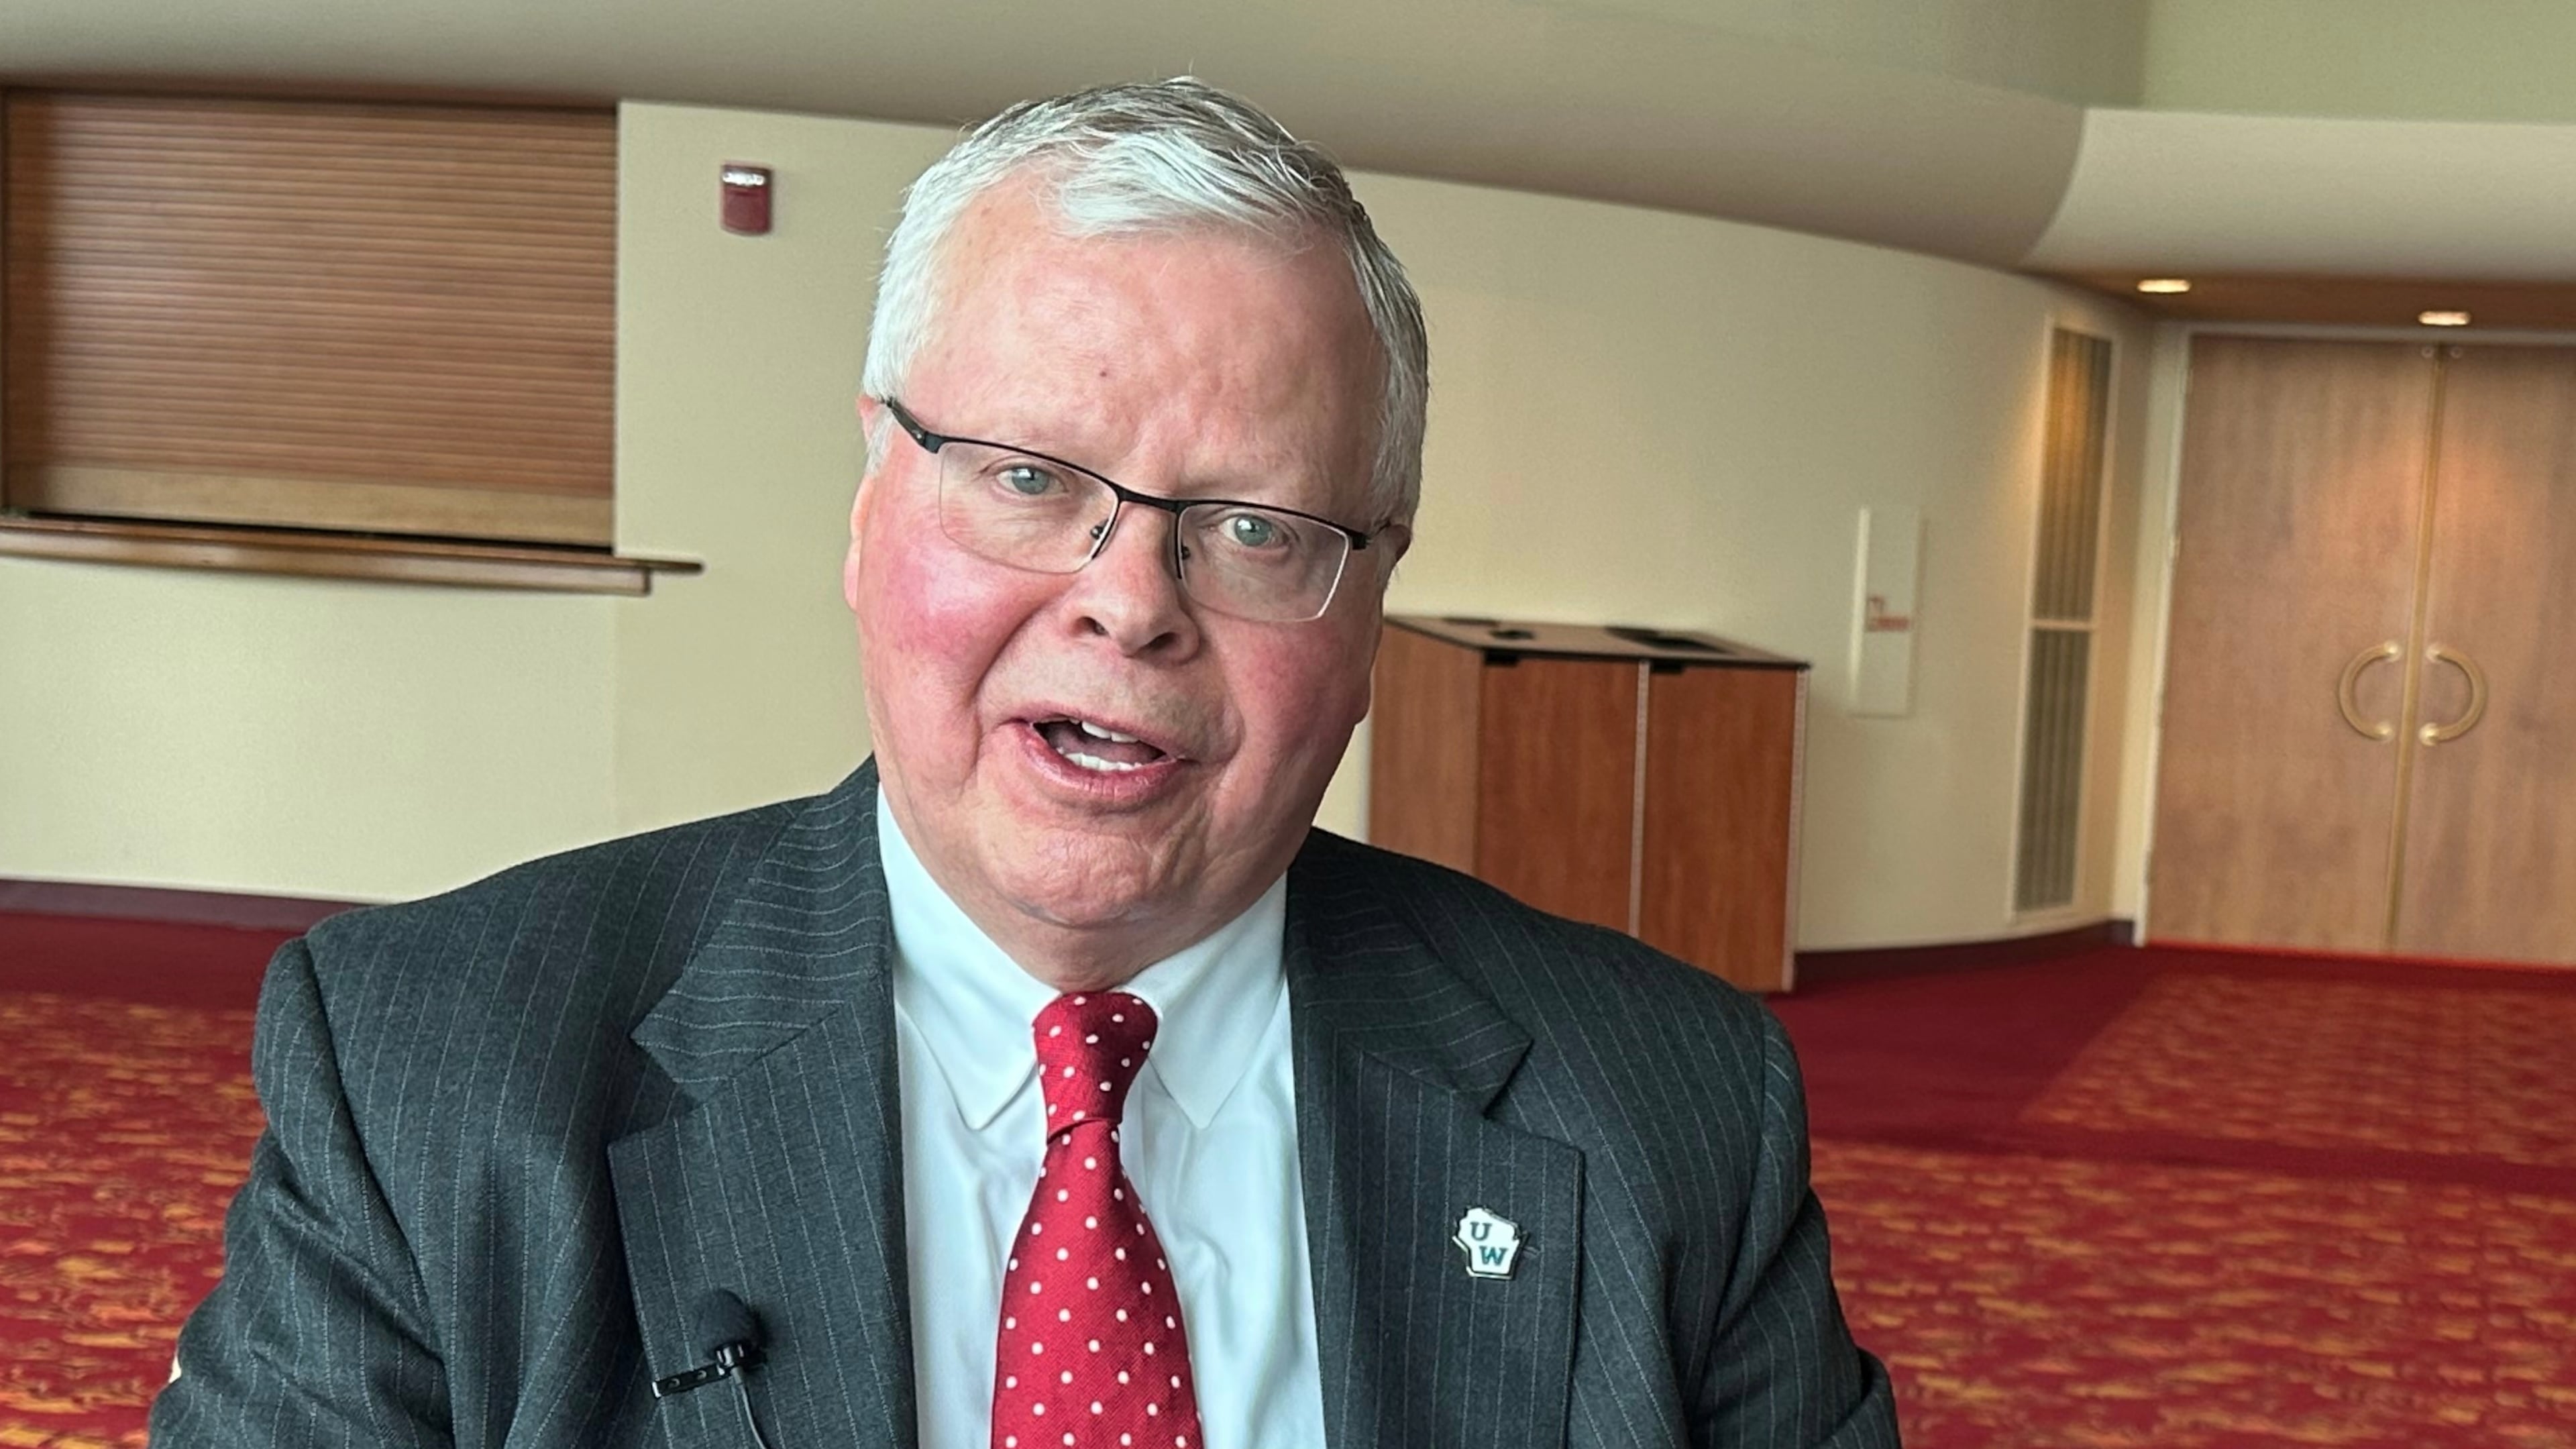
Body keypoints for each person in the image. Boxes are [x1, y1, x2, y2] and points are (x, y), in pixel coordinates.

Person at [152, 78, 1898, 1449]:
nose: (1131, 604)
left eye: (1255, 527)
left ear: (1371, 602)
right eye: (1026, 478)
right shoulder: (431, 1077)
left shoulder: (1671, 1117)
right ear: (869, 505)